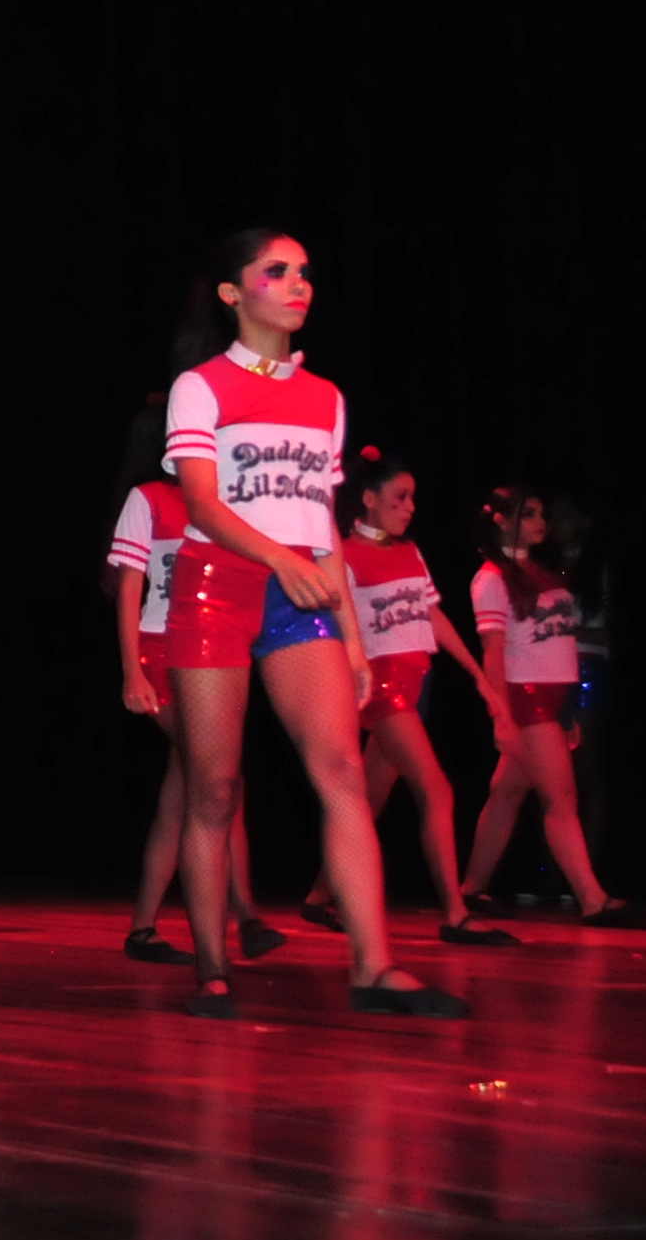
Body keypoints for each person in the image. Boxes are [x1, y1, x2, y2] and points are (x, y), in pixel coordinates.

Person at [156, 226, 462, 1019]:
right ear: (233, 293)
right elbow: (200, 504)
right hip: (216, 587)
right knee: (214, 787)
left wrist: (354, 639)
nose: (298, 284)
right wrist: (278, 560)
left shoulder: (324, 398)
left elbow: (321, 523)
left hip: (302, 596)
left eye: (304, 273)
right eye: (277, 271)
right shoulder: (201, 386)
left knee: (344, 773)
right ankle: (212, 968)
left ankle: (373, 966)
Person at [292, 448, 517, 944]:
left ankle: (318, 896)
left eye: (413, 498)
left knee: (369, 797)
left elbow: (432, 617)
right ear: (368, 499)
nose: (411, 507)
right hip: (382, 687)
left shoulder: (410, 552)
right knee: (436, 790)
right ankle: (455, 913)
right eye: (401, 497)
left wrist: (477, 676)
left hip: (416, 683)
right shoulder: (343, 557)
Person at [105, 410, 282, 965]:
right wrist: (131, 669)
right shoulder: (149, 499)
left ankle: (143, 928)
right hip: (159, 653)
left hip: (204, 656)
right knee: (219, 780)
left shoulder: (223, 505)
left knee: (186, 792)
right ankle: (246, 916)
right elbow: (129, 587)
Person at [459, 485, 629, 925]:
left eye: (540, 514)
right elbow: (494, 653)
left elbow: (561, 647)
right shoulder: (491, 579)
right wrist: (500, 714)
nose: (540, 522)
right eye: (529, 514)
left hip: (553, 700)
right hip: (527, 699)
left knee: (506, 792)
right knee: (561, 796)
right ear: (501, 520)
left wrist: (567, 710)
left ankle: (471, 888)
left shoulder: (541, 573)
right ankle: (591, 899)